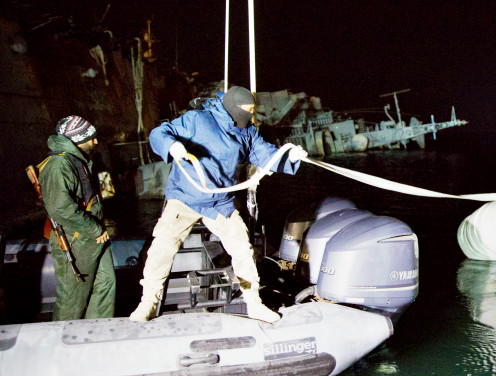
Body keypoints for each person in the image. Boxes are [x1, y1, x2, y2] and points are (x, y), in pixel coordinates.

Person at [130, 86, 306, 322]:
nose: (249, 115)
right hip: (186, 196)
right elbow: (160, 133)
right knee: (163, 246)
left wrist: (288, 157)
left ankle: (253, 302)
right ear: (233, 108)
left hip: (219, 202)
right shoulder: (198, 120)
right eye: (246, 111)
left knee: (243, 247)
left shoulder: (246, 131)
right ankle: (148, 302)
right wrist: (172, 145)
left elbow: (264, 153)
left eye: (252, 111)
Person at [39, 116, 116, 321]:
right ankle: (60, 344)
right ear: (77, 139)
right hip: (77, 237)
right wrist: (95, 230)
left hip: (93, 235)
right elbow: (60, 209)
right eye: (91, 138)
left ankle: (96, 335)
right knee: (73, 298)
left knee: (105, 284)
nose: (96, 142)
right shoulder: (59, 165)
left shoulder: (79, 160)